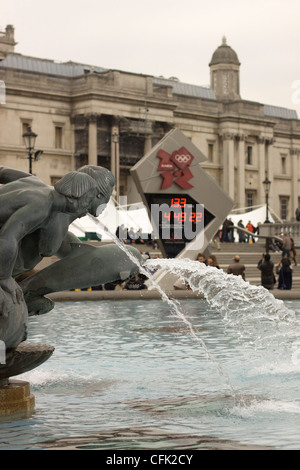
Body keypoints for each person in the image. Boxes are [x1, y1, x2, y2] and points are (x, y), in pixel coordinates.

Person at [0, 165, 142, 315]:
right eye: (106, 196)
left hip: (8, 272)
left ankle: (26, 291)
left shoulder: (35, 183)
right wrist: (5, 279)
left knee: (127, 257)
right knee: (127, 256)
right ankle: (26, 291)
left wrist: (110, 272)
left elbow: (2, 171)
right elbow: (8, 237)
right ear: (96, 195)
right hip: (4, 276)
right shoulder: (46, 208)